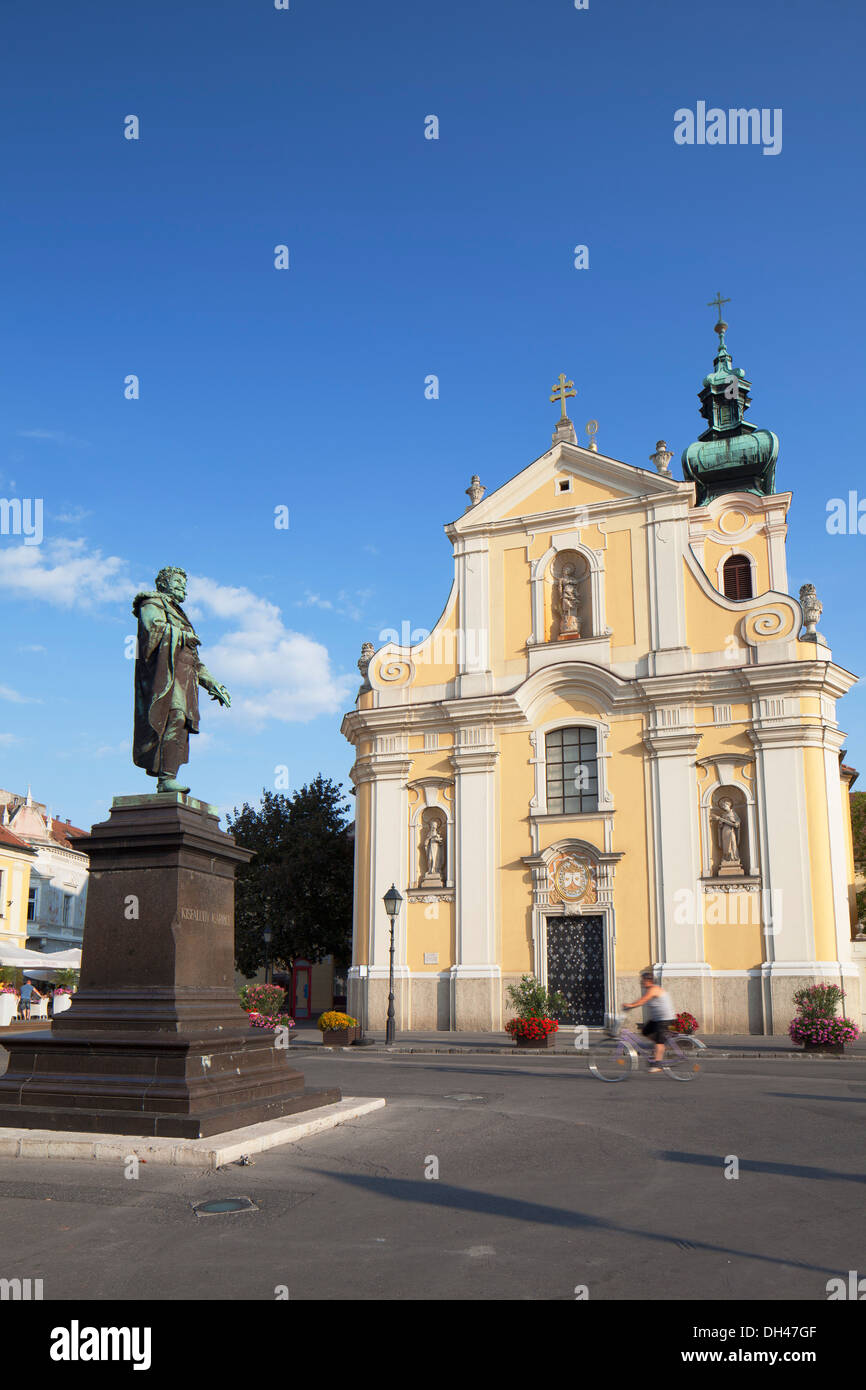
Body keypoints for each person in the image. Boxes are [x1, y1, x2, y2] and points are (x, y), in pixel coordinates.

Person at [624, 970, 675, 1073]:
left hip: (665, 1019)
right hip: (657, 1019)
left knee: (659, 1042)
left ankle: (657, 1064)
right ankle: (658, 1048)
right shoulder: (650, 989)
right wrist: (631, 1005)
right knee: (645, 1031)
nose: (641, 982)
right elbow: (642, 1000)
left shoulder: (654, 989)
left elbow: (643, 1000)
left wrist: (630, 1005)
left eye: (642, 980)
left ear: (648, 981)